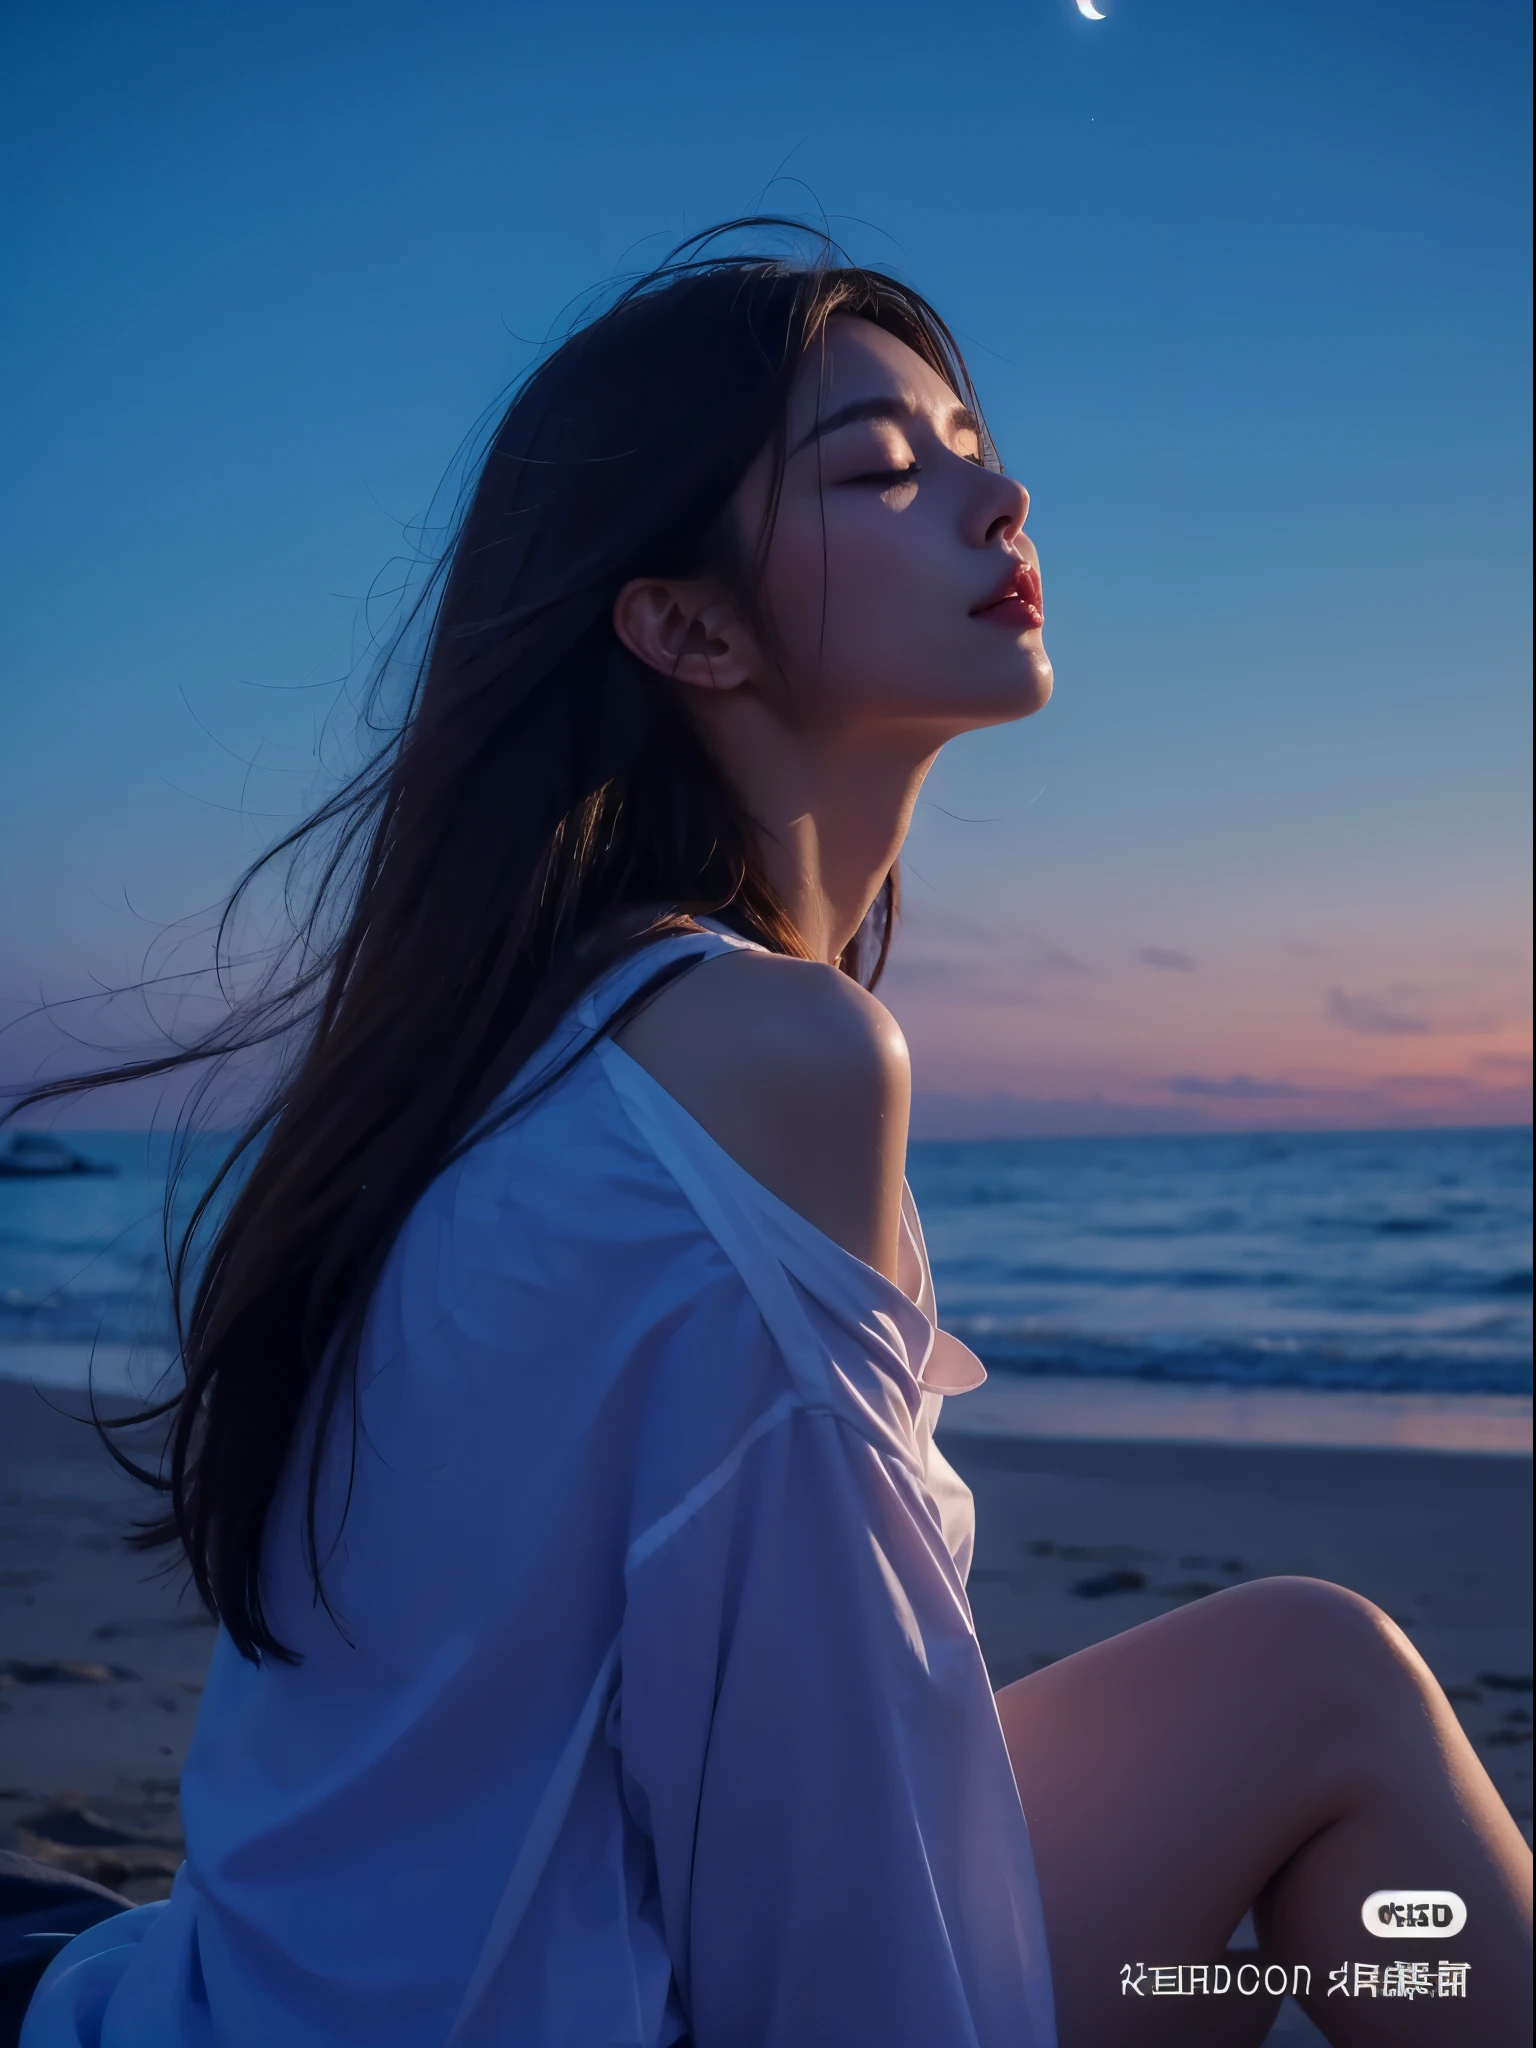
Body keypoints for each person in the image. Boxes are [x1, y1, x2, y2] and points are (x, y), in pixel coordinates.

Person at [14, 226, 1531, 2048]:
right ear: (686, 623)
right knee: (1325, 1694)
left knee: (1304, 1673)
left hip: (291, 1986)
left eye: (968, 440)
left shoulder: (541, 1033)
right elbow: (830, 1906)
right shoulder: (764, 1054)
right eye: (885, 470)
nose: (999, 492)